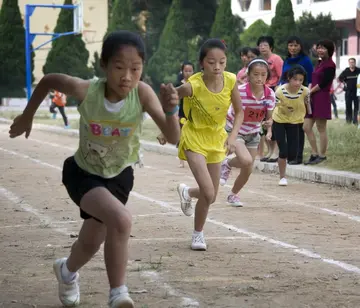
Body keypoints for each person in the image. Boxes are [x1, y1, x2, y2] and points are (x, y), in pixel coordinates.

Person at [8, 30, 180, 308]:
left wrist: (172, 111)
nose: (127, 76)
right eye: (119, 67)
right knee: (121, 220)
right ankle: (118, 293)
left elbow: (173, 138)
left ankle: (66, 272)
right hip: (84, 173)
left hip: (120, 176)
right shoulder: (87, 90)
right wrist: (27, 115)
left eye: (135, 69)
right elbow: (49, 80)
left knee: (91, 242)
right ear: (104, 65)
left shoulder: (143, 93)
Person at [175, 39, 244, 251]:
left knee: (211, 195)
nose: (217, 67)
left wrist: (232, 138)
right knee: (207, 191)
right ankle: (198, 234)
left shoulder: (231, 80)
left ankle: (187, 192)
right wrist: (165, 126)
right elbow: (168, 101)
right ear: (202, 63)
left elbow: (240, 112)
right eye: (212, 62)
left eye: (222, 62)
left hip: (216, 139)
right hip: (194, 137)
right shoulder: (192, 85)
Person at [220, 58, 275, 206]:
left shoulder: (270, 95)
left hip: (253, 132)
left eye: (263, 75)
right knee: (246, 160)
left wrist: (269, 127)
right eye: (256, 74)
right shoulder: (240, 91)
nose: (259, 78)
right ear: (248, 75)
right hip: (235, 129)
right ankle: (227, 164)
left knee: (248, 168)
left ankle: (233, 195)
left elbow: (269, 118)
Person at [279, 36, 314, 165]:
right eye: (290, 45)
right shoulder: (287, 60)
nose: (293, 48)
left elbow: (310, 79)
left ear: (300, 46)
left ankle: (297, 157)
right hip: (285, 97)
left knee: (298, 128)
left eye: (296, 45)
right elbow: (282, 78)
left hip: (299, 97)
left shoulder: (305, 60)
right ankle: (290, 155)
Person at [273, 65, 311, 185]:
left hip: (295, 122)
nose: (298, 82)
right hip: (279, 120)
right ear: (289, 78)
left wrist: (308, 109)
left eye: (301, 80)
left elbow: (308, 107)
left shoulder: (305, 91)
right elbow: (276, 107)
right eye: (295, 79)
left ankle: (283, 160)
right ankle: (282, 177)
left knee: (293, 154)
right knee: (283, 150)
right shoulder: (280, 91)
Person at [303, 40, 336, 165]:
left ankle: (322, 155)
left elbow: (324, 83)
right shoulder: (319, 62)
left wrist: (310, 91)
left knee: (321, 128)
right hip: (312, 97)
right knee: (306, 127)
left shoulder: (330, 65)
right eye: (319, 48)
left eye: (323, 48)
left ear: (329, 50)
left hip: (321, 97)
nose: (320, 50)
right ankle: (314, 153)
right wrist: (309, 92)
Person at [257, 36, 284, 163]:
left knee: (273, 120)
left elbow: (281, 76)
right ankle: (270, 150)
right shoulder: (261, 61)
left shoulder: (276, 59)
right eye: (260, 45)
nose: (262, 47)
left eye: (265, 45)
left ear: (271, 47)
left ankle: (276, 151)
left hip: (273, 90)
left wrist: (277, 91)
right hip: (263, 91)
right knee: (264, 122)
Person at [338, 58, 360, 124]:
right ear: (348, 63)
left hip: (357, 92)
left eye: (353, 62)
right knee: (348, 107)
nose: (351, 63)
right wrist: (344, 83)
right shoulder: (346, 71)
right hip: (348, 92)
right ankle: (348, 121)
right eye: (350, 62)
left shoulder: (358, 70)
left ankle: (355, 122)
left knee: (357, 107)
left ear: (355, 63)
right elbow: (340, 78)